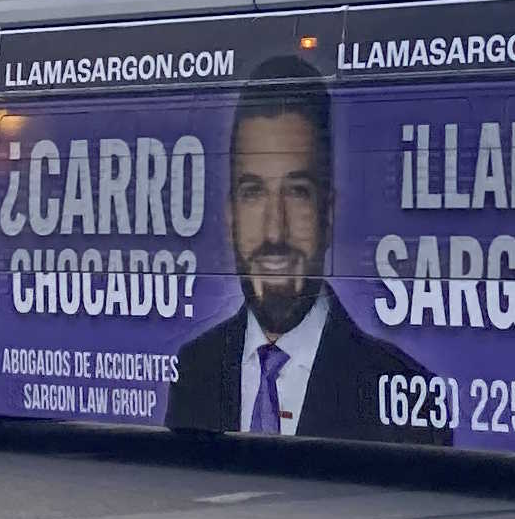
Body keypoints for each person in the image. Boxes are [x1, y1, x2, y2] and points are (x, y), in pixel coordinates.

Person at [166, 62, 448, 444]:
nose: (274, 230)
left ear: (327, 214)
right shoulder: (195, 369)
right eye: (253, 193)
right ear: (230, 216)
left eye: (297, 192)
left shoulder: (408, 390)